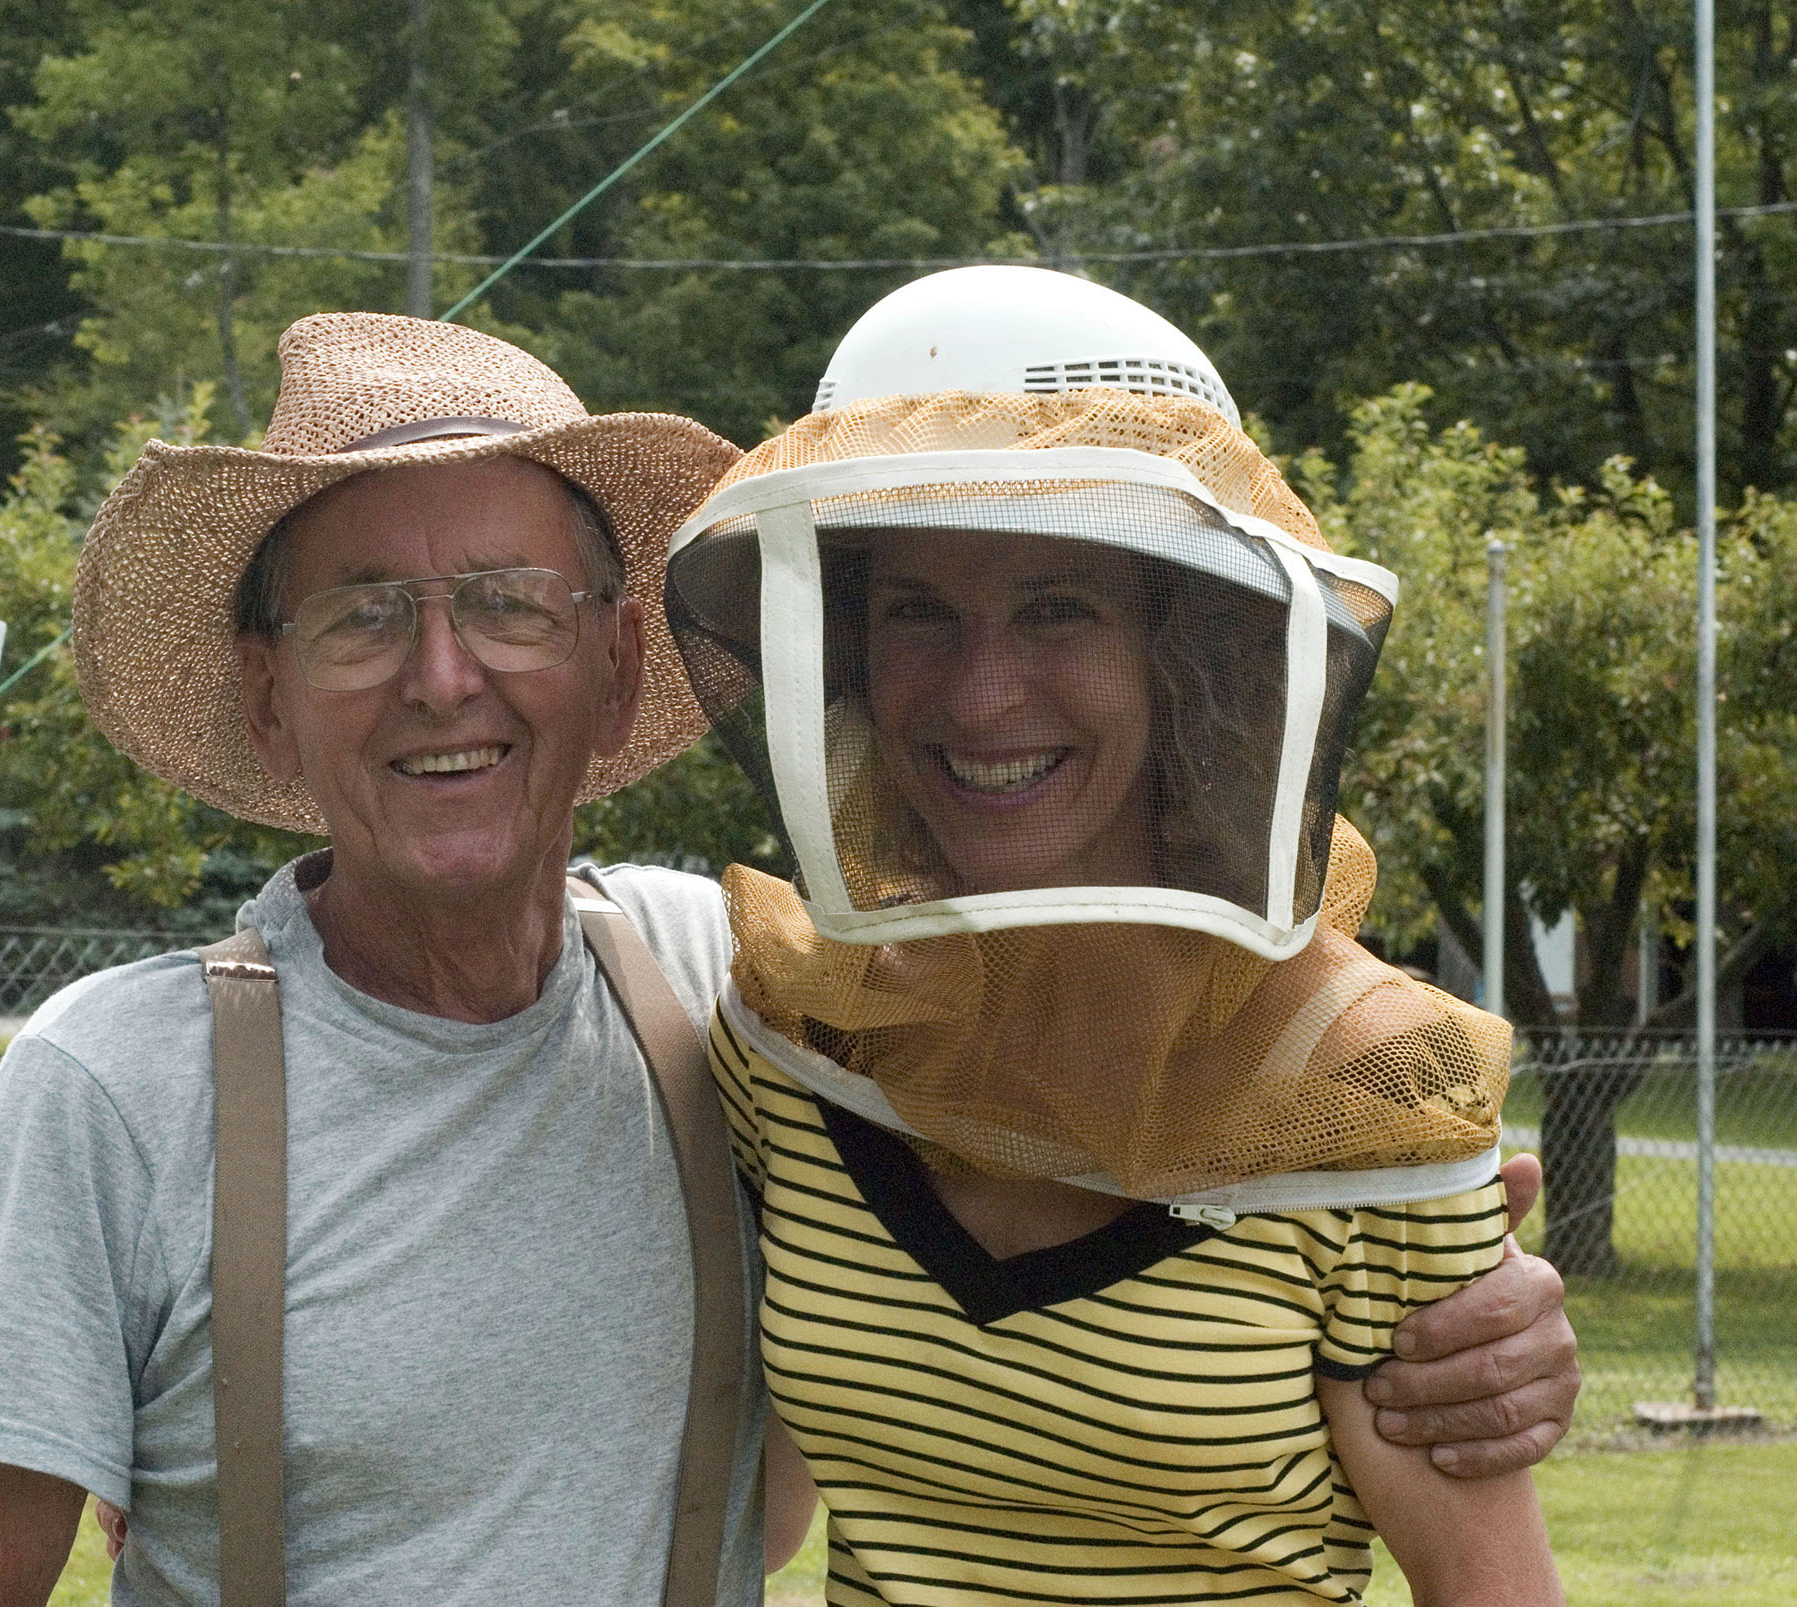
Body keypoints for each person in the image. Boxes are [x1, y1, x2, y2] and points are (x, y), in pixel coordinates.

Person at [0, 311, 1578, 1606]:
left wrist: (1484, 1315)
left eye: (510, 601)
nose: (443, 677)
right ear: (267, 691)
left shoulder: (728, 991)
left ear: (621, 665)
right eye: (362, 613)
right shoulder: (122, 1089)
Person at [667, 266, 1567, 1604]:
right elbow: (769, 1511)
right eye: (918, 610)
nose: (981, 694)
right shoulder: (793, 1033)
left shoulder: (1371, 1082)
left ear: (1189, 653)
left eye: (1058, 608)